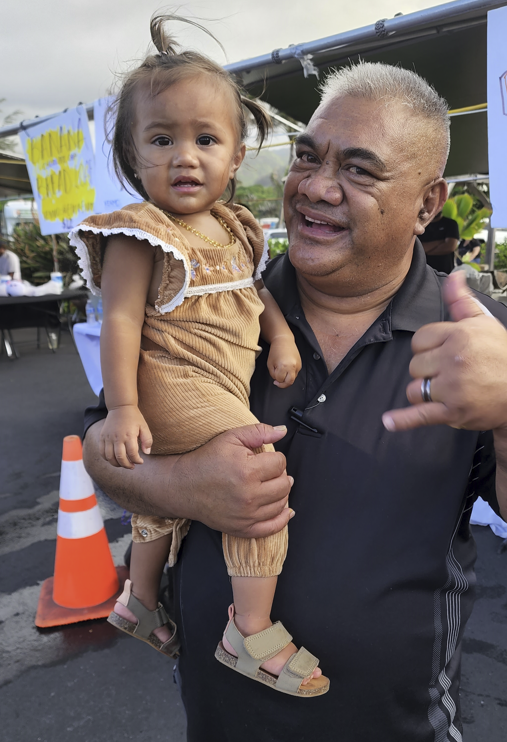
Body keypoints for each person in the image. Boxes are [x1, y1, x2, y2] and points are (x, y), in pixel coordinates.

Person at [83, 62, 507, 741]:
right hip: (217, 720)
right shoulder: (221, 296)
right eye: (307, 157)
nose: (316, 188)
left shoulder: (476, 338)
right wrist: (180, 483)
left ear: (426, 204)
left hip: (392, 726)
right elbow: (103, 447)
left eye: (359, 170)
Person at [70, 16, 327, 697]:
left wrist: (278, 335)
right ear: (131, 153)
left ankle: (140, 599)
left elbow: (254, 293)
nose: (185, 156)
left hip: (217, 383)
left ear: (236, 156)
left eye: (205, 139)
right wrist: (122, 407)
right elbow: (119, 320)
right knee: (252, 477)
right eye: (161, 139)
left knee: (171, 499)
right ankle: (249, 627)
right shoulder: (139, 234)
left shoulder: (236, 227)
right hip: (171, 382)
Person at [420, 210, 459, 274]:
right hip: (424, 272)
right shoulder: (421, 226)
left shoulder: (451, 224)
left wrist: (426, 251)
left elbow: (450, 247)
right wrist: (441, 242)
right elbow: (419, 247)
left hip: (445, 272)